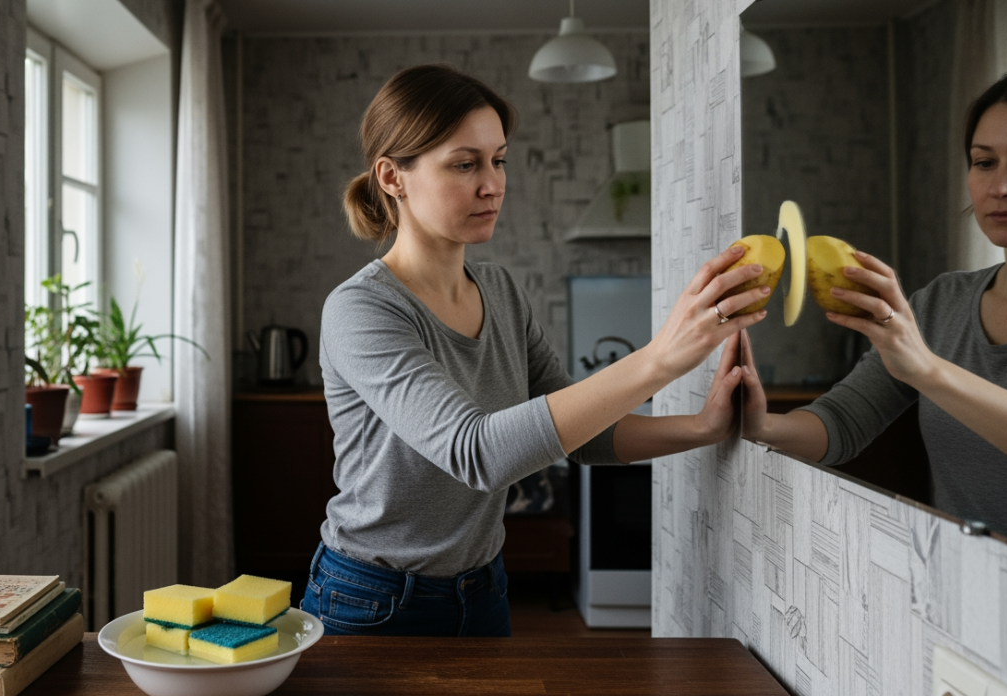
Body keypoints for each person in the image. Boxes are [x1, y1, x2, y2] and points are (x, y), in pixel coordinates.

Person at [301, 63, 771, 637]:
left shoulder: (500, 292)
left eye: (498, 160)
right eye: (464, 163)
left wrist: (703, 427)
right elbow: (477, 453)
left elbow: (585, 436)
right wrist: (659, 358)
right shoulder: (361, 309)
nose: (492, 183)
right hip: (372, 598)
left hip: (484, 587)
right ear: (392, 177)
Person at [737, 68, 1007, 547]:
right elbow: (843, 422)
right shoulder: (941, 304)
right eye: (984, 163)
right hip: (963, 597)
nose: (1003, 186)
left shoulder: (927, 348)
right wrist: (759, 425)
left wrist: (927, 370)